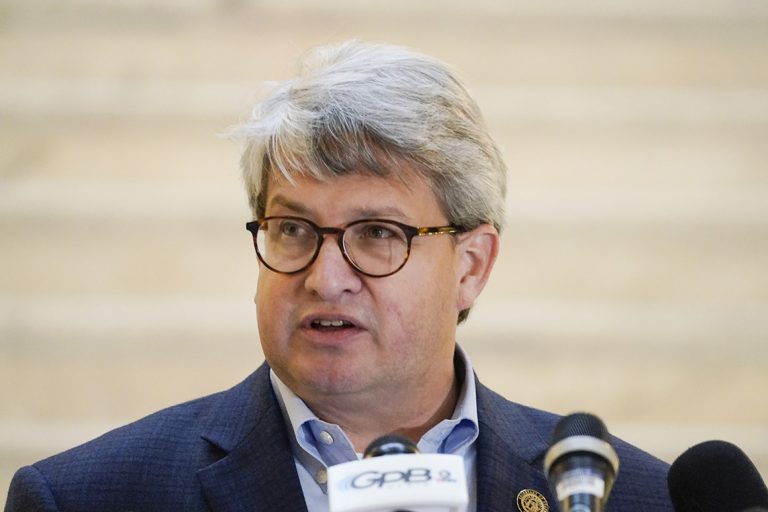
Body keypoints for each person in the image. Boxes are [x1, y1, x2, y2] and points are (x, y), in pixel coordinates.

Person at [4, 40, 673, 512]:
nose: (326, 279)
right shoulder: (90, 497)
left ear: (470, 266)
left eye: (377, 234)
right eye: (293, 229)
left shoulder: (637, 498)